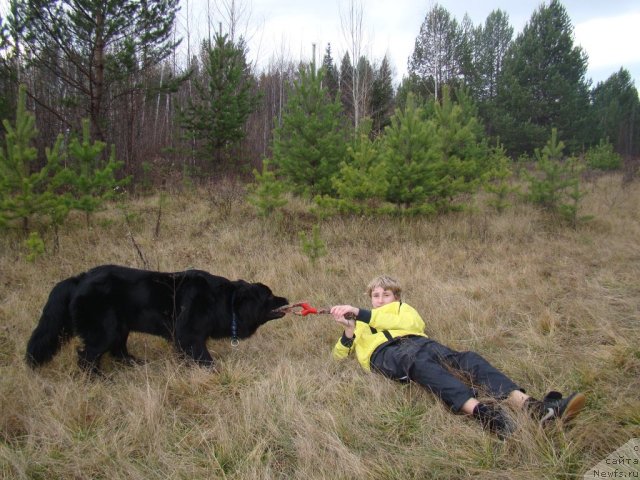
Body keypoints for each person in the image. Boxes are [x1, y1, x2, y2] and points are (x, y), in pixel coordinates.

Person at [330, 275, 585, 438]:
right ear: (370, 298)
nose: (381, 299)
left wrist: (358, 311)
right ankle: (486, 415)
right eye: (376, 295)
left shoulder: (402, 310)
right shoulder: (360, 323)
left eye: (386, 294)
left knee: (469, 360)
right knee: (422, 368)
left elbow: (393, 319)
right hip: (387, 355)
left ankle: (533, 407)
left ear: (396, 297)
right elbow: (339, 356)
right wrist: (349, 331)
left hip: (421, 342)